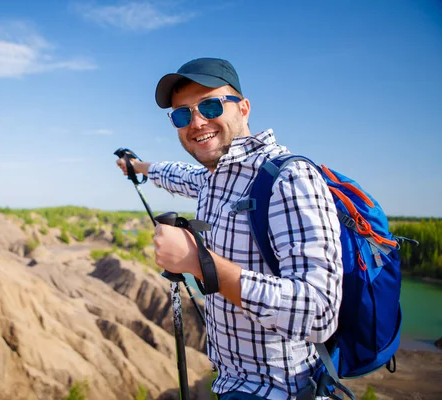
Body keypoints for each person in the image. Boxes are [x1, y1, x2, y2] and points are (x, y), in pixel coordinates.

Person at [116, 57, 343, 400]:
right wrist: (138, 166)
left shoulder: (288, 179)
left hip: (279, 391)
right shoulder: (215, 178)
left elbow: (319, 313)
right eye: (182, 114)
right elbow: (178, 173)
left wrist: (198, 262)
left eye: (209, 105)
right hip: (231, 384)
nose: (196, 122)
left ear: (244, 108)